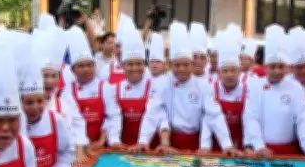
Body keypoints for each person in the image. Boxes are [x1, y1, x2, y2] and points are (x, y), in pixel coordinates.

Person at [133, 22, 234, 154]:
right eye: (177, 65)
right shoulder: (162, 84)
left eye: (186, 65)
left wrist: (227, 145)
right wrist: (143, 141)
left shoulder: (203, 86)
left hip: (196, 144)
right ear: (170, 64)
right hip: (169, 143)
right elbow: (152, 113)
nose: (182, 69)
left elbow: (214, 115)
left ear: (192, 64)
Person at [242, 24, 305, 157]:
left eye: (280, 66)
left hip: (290, 152)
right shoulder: (256, 86)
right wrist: (258, 146)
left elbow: (303, 119)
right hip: (262, 151)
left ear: (287, 67)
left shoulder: (295, 88)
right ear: (265, 67)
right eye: (273, 66)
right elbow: (251, 118)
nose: (277, 71)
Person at [21, 30, 74, 167]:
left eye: (40, 101)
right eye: (28, 102)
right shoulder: (15, 125)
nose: (35, 107)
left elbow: (66, 149)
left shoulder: (55, 119)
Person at [66, 26, 122, 151]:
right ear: (73, 70)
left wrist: (103, 140)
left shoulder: (105, 87)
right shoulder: (67, 90)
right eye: (81, 66)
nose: (86, 69)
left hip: (101, 147)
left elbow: (112, 116)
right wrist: (79, 145)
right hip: (75, 148)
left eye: (89, 65)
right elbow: (68, 122)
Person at [38, 25, 88, 165]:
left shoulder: (64, 98)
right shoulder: (26, 101)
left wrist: (79, 150)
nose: (49, 81)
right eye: (44, 76)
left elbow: (77, 123)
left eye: (53, 76)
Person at [201, 30, 247, 152]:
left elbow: (250, 120)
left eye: (233, 70)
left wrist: (250, 146)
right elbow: (210, 118)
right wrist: (205, 146)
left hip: (240, 147)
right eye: (225, 71)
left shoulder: (248, 90)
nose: (229, 74)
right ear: (219, 72)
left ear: (239, 71)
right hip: (216, 146)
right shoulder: (211, 89)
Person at [114, 19, 153, 148]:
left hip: (149, 147)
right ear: (123, 66)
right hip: (122, 148)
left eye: (139, 63)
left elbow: (154, 116)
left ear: (144, 65)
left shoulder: (153, 87)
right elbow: (112, 118)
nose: (134, 68)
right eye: (130, 64)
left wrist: (143, 142)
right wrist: (114, 141)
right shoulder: (115, 89)